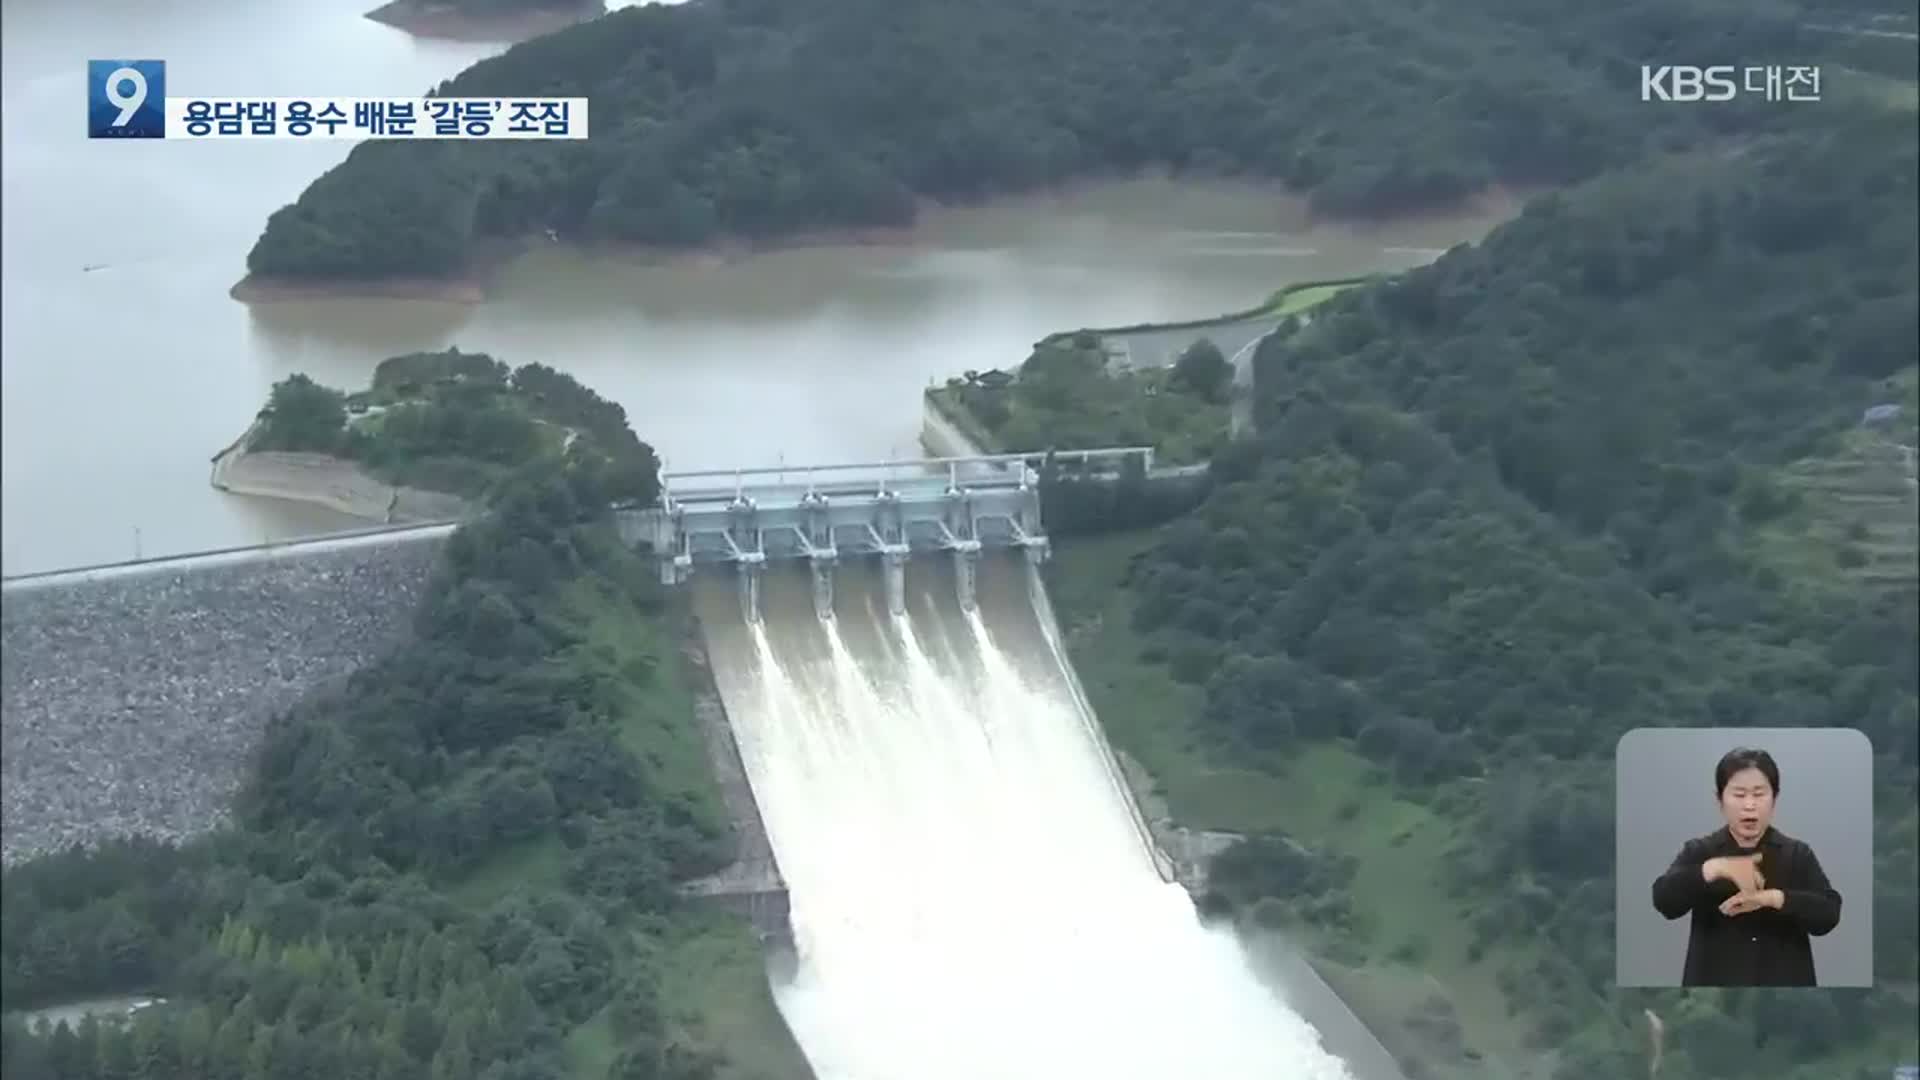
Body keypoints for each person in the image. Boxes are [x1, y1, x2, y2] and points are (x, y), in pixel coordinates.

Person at [1650, 747, 1842, 986]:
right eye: (1739, 795)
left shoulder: (1797, 854)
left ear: (1774, 799)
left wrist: (1773, 898)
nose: (1749, 805)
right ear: (1720, 800)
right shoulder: (1700, 851)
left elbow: (1829, 914)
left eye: (1759, 794)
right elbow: (1664, 901)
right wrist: (1713, 869)